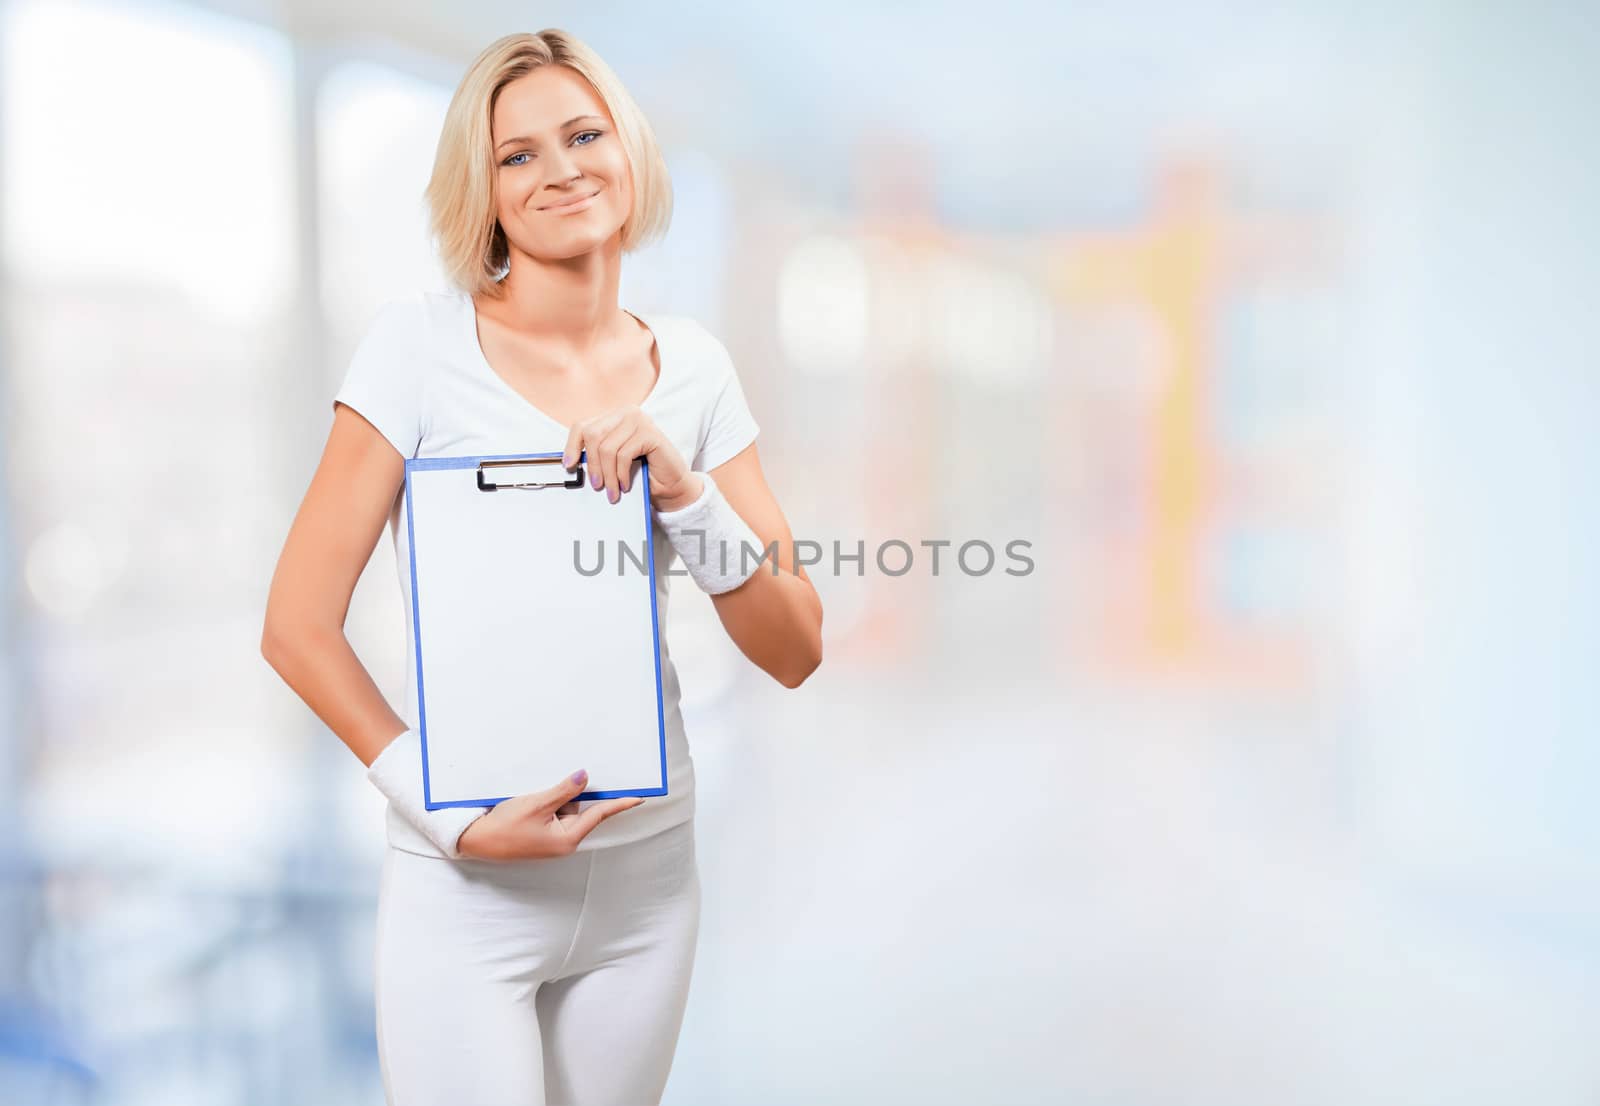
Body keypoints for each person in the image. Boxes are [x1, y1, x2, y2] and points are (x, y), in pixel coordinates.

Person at [260, 28, 823, 1105]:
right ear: (485, 195)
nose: (561, 168)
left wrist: (686, 494)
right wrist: (443, 812)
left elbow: (793, 645)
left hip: (648, 883)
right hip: (468, 887)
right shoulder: (416, 349)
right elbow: (295, 622)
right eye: (518, 155)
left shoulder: (693, 367)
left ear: (629, 150)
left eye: (581, 134)